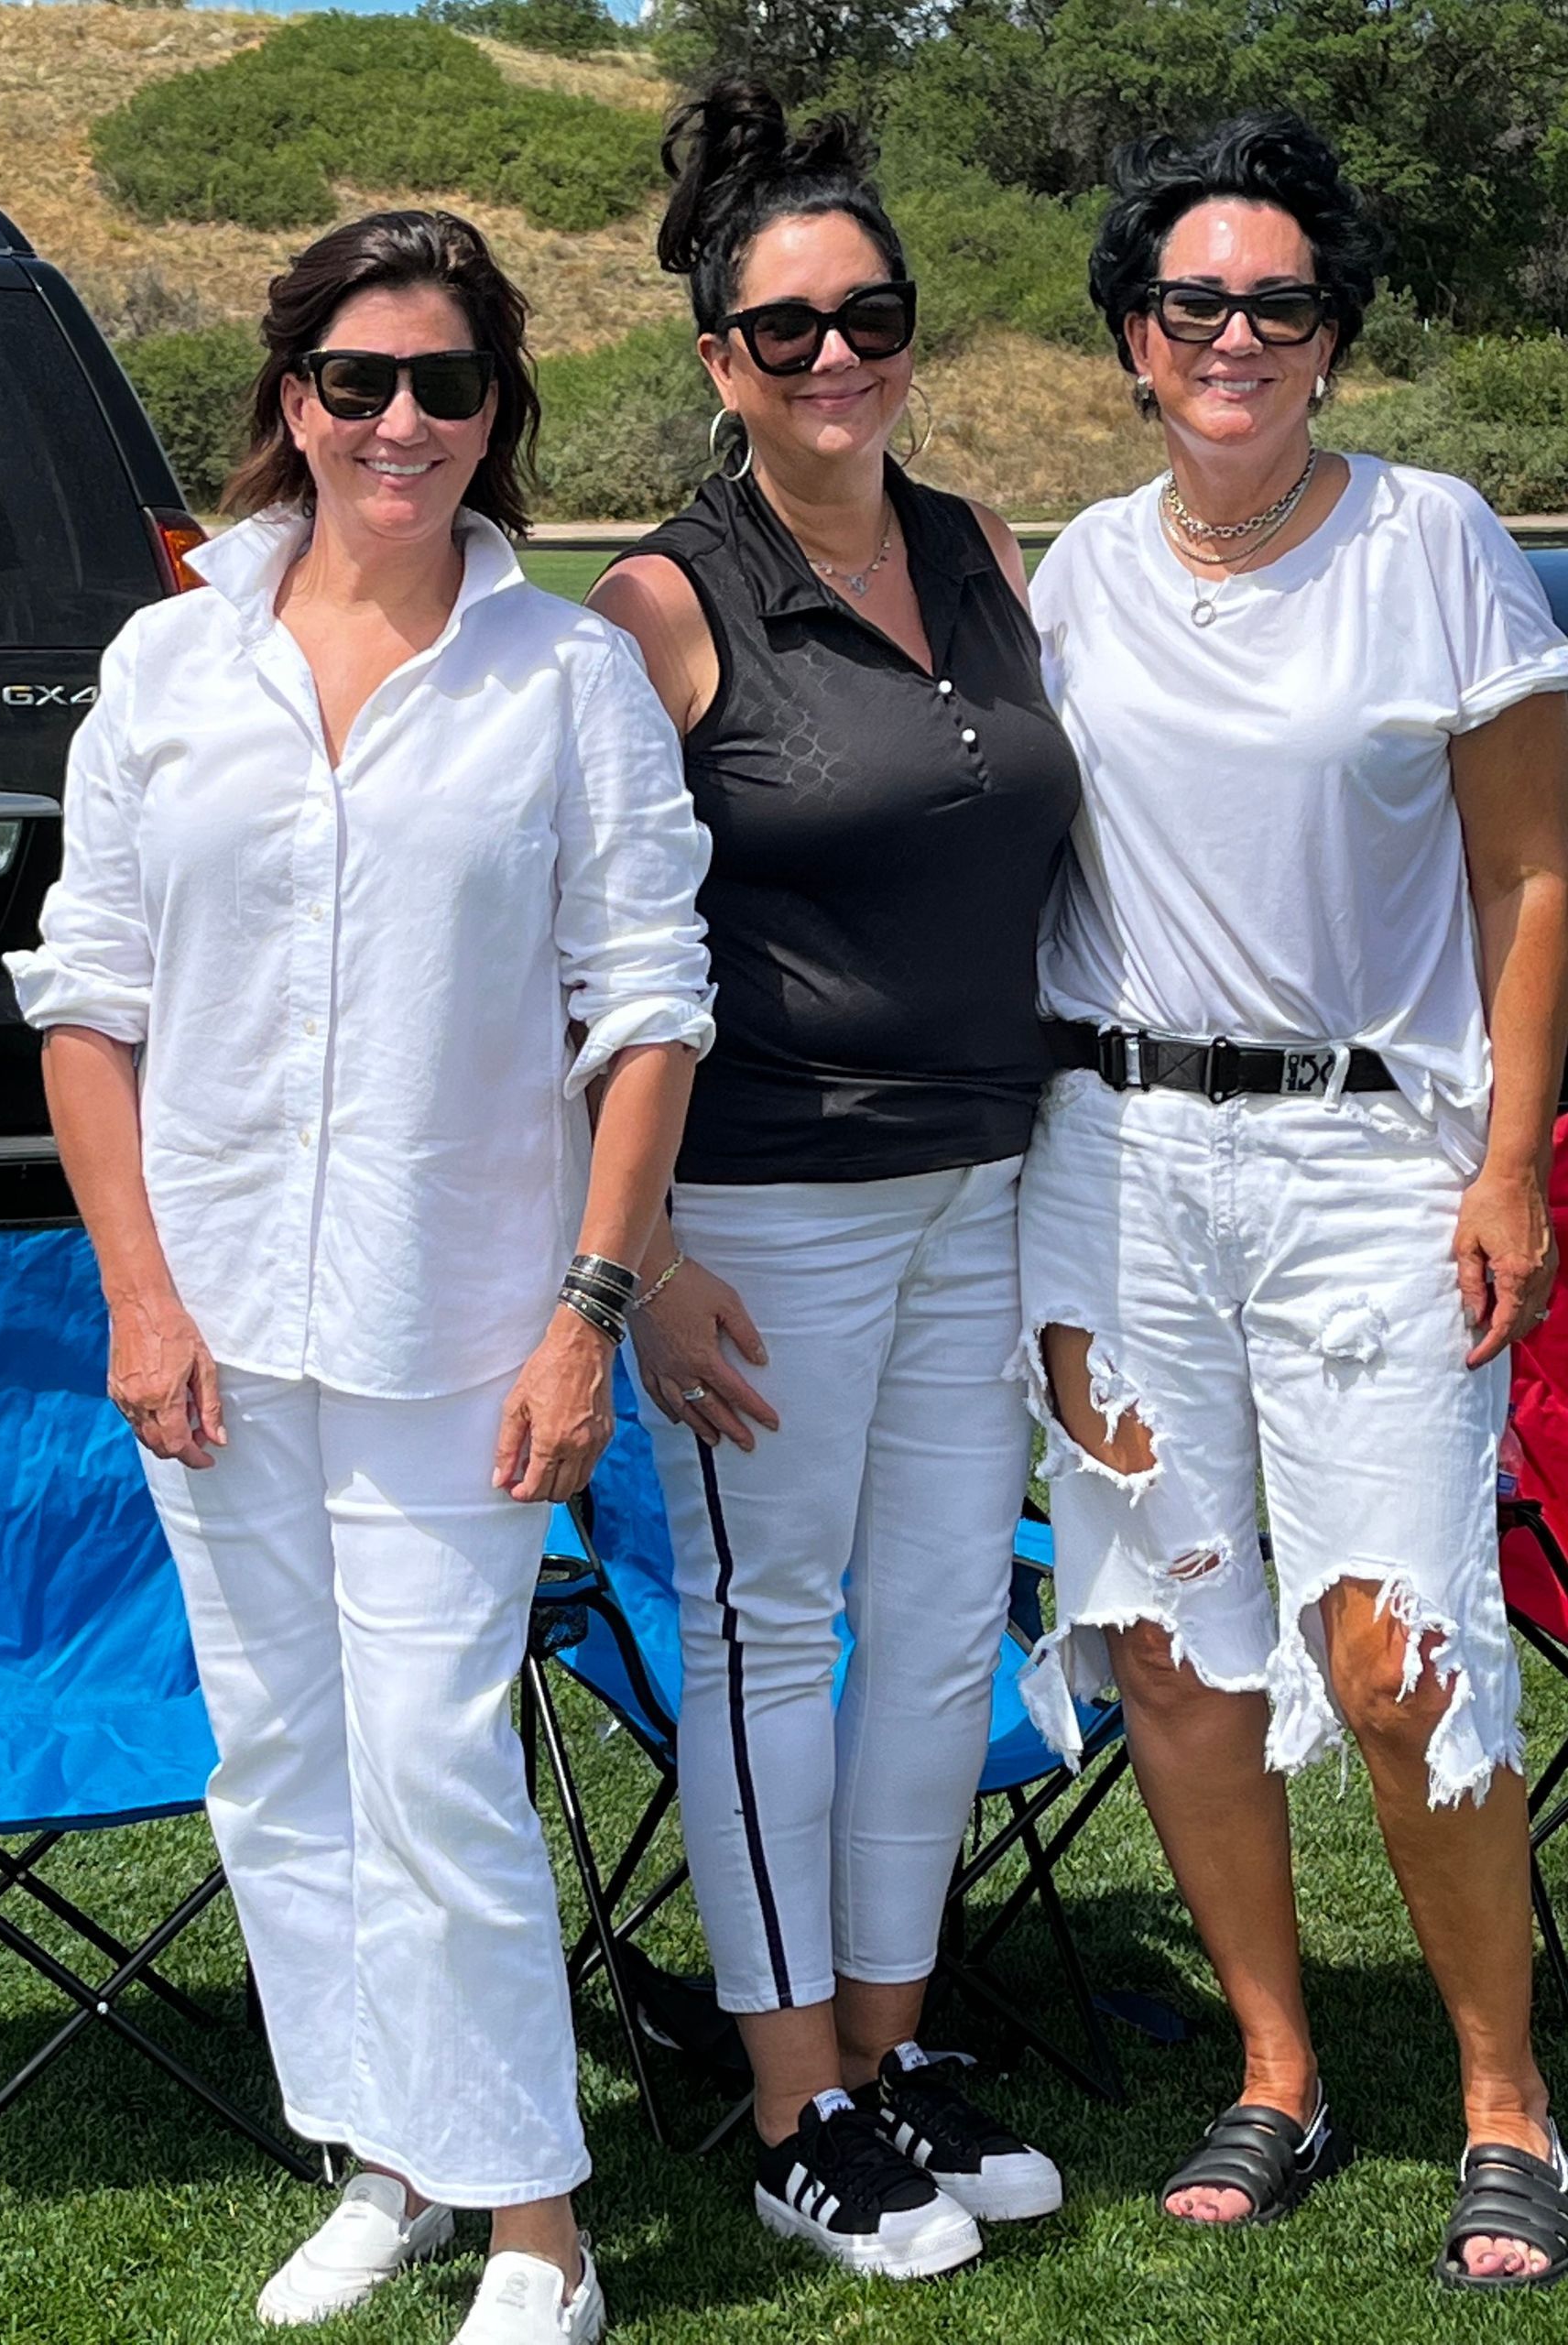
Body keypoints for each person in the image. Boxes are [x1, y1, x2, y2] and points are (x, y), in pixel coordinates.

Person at [6, 208, 713, 2343]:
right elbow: (87, 996)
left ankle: (538, 2225)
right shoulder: (164, 663)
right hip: (209, 1321)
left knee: (430, 1750)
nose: (397, 422)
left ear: (497, 414)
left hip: (467, 1327)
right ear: (287, 398)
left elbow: (651, 1007)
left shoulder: (569, 673)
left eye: (445, 385)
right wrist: (137, 1288)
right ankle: (388, 2152)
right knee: (276, 1758)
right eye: (355, 381)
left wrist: (589, 1312)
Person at [1018, 112, 1568, 2290]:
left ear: (1328, 338)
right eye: (1191, 303)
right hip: (1120, 1163)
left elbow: (1535, 867)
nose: (1233, 335)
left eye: (1277, 302)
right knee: (1175, 1642)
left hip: (1370, 1158)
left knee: (1402, 1639)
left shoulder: (1434, 541)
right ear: (1136, 343)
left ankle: (1503, 2093)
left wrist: (1513, 1155)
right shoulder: (1075, 567)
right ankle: (1276, 2065)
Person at [587, 81, 1078, 2281]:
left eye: (867, 315)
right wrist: (647, 1252)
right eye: (784, 330)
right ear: (718, 362)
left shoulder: (978, 545)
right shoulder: (665, 603)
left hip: (989, 1182)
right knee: (773, 1639)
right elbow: (572, 960)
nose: (834, 358)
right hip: (765, 1210)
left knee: (940, 1628)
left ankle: (885, 2050)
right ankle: (792, 2101)